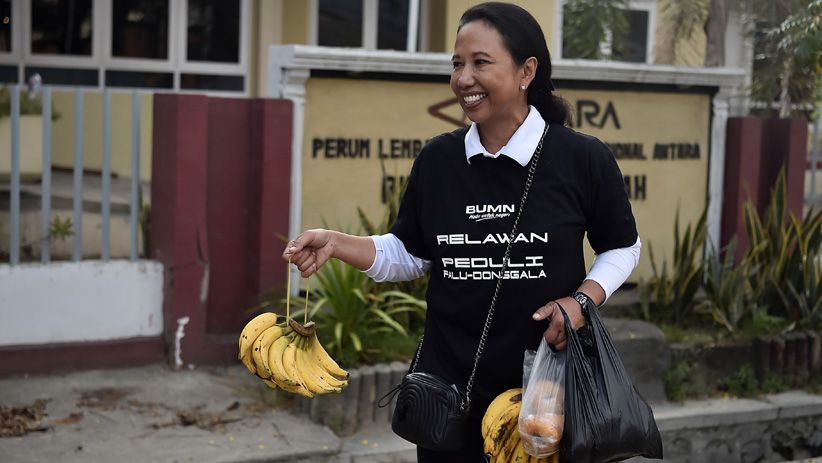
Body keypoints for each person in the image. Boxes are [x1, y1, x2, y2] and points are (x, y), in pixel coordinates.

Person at [283, 2, 640, 461]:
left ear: (526, 71)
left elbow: (621, 247)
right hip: (446, 397)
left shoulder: (581, 159)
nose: (463, 79)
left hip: (544, 395)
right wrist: (336, 243)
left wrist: (581, 302)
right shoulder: (439, 160)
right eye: (457, 64)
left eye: (480, 62)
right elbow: (410, 253)